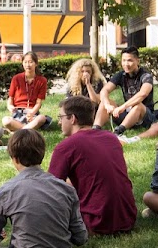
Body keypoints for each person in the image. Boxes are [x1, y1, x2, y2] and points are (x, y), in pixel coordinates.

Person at [48, 96, 137, 235]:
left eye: (61, 117)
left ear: (72, 118)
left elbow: (50, 190)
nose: (59, 122)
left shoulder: (66, 147)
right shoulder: (111, 138)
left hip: (95, 222)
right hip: (127, 218)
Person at [93, 46, 155, 141]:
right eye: (124, 60)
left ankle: (118, 132)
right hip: (127, 114)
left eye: (130, 60)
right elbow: (104, 91)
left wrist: (122, 107)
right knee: (106, 102)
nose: (126, 64)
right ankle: (95, 129)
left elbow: (143, 94)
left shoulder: (146, 75)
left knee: (138, 105)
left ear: (137, 61)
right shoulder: (121, 75)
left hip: (144, 117)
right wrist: (107, 105)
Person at [4, 52, 51, 132]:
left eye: (30, 62)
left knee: (42, 118)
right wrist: (10, 106)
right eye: (25, 62)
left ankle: (19, 130)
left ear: (36, 63)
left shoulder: (42, 81)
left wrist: (32, 113)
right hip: (18, 112)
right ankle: (28, 129)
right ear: (22, 63)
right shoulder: (16, 78)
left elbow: (38, 103)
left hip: (32, 112)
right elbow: (10, 99)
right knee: (6, 120)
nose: (28, 65)